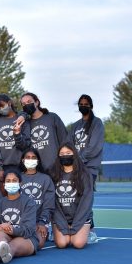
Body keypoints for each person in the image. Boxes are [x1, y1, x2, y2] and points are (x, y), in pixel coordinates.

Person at [0, 169, 38, 264]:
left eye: (14, 181)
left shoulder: (29, 202)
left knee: (14, 245)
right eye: (8, 181)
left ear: (20, 183)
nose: (11, 183)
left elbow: (28, 229)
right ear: (4, 184)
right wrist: (0, 228)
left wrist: (11, 229)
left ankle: (2, 254)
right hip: (6, 236)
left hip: (26, 238)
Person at [69, 94, 104, 243]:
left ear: (91, 106)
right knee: (74, 199)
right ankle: (77, 229)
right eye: (81, 104)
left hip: (88, 168)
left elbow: (94, 147)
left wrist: (79, 161)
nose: (83, 106)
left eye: (86, 104)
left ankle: (91, 231)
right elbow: (69, 144)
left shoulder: (97, 123)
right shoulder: (75, 125)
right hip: (75, 167)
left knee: (86, 199)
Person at [49, 143, 93, 249]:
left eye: (68, 153)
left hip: (80, 218)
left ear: (74, 154)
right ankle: (61, 230)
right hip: (61, 218)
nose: (65, 155)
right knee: (62, 244)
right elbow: (53, 203)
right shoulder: (53, 174)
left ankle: (87, 231)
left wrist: (75, 226)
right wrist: (63, 224)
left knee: (77, 244)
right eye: (62, 153)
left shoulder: (85, 174)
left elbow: (86, 203)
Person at [19, 92, 68, 173]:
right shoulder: (25, 123)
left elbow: (65, 140)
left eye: (29, 102)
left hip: (57, 167)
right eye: (23, 104)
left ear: (37, 102)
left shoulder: (52, 117)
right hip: (37, 170)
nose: (26, 105)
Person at [0, 94, 31, 184]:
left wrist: (18, 134)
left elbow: (26, 145)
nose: (1, 109)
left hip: (21, 166)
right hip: (3, 167)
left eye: (2, 106)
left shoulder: (21, 119)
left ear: (9, 103)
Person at [19, 148, 55, 249]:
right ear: (23, 160)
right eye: (28, 157)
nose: (30, 160)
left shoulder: (46, 179)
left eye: (33, 157)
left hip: (39, 221)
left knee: (38, 244)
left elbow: (49, 205)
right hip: (22, 221)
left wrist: (42, 222)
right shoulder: (17, 178)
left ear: (38, 161)